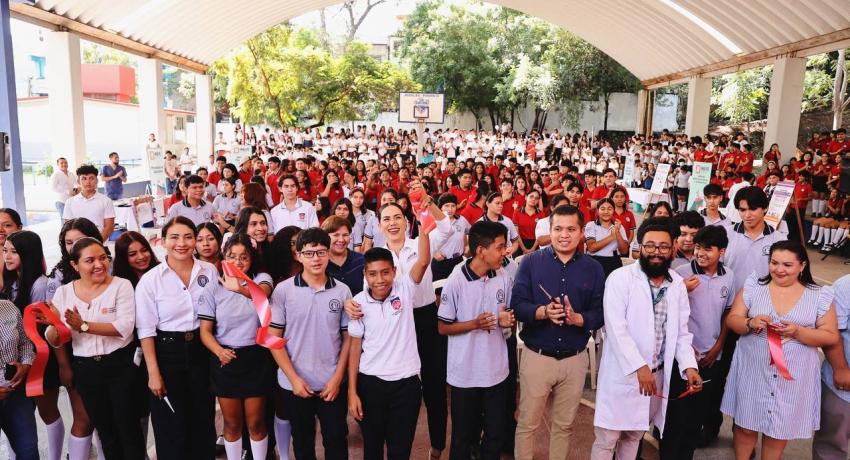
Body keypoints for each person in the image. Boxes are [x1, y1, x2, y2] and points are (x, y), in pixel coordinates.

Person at [591, 217, 702, 460]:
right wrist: (639, 366)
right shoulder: (620, 278)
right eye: (650, 246)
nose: (656, 252)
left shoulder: (677, 285)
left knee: (634, 436)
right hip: (623, 374)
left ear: (673, 249)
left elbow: (681, 333)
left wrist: (689, 367)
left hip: (656, 376)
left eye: (663, 247)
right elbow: (616, 329)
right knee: (607, 438)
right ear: (640, 247)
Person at [722, 240, 838, 460]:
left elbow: (830, 335)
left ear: (802, 266)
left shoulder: (819, 295)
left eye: (787, 265)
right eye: (774, 263)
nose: (779, 269)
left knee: (778, 430)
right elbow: (733, 319)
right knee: (745, 426)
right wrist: (750, 322)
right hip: (754, 370)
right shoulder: (754, 287)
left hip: (793, 376)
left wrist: (798, 332)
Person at [511, 205, 605, 459]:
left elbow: (600, 312)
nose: (564, 235)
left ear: (582, 232)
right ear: (549, 231)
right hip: (537, 356)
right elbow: (517, 305)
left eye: (571, 229)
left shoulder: (594, 268)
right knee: (527, 424)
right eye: (558, 229)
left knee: (564, 426)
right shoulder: (530, 262)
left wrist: (579, 319)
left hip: (575, 359)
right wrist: (543, 312)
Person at [46, 237, 146, 458]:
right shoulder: (64, 293)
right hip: (87, 369)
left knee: (129, 429)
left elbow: (125, 327)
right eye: (90, 260)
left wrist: (83, 325)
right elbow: (56, 337)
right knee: (105, 431)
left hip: (121, 365)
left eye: (103, 258)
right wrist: (52, 324)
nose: (99, 265)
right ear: (75, 265)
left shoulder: (121, 285)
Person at [135, 216, 218, 460]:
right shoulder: (150, 280)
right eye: (174, 237)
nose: (181, 243)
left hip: (202, 349)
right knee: (171, 426)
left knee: (203, 420)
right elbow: (146, 330)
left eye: (188, 237)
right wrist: (153, 373)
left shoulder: (209, 271)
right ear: (162, 242)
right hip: (167, 352)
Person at [269, 228, 351, 460]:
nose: (316, 258)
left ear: (329, 254)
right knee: (303, 444)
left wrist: (337, 378)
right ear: (298, 255)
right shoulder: (283, 291)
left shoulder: (342, 291)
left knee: (336, 441)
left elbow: (348, 339)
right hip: (295, 384)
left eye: (321, 252)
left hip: (331, 384)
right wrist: (294, 379)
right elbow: (274, 339)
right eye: (309, 253)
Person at [438, 220, 515, 459]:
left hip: (496, 370)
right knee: (463, 437)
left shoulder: (503, 276)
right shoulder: (456, 280)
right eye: (500, 247)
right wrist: (475, 324)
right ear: (481, 251)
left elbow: (506, 311)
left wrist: (507, 319)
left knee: (495, 434)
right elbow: (442, 327)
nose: (505, 252)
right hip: (466, 374)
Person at [346, 247, 425, 460]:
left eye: (385, 272)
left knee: (400, 451)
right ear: (365, 274)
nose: (380, 280)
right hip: (370, 384)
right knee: (372, 449)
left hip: (406, 385)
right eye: (372, 274)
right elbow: (355, 348)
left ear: (394, 271)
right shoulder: (358, 303)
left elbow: (424, 261)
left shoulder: (405, 289)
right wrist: (352, 392)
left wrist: (424, 229)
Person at [199, 233, 273, 460]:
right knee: (232, 423)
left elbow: (263, 296)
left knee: (256, 422)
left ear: (252, 259)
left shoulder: (261, 278)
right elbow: (205, 331)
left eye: (244, 257)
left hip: (255, 356)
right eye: (232, 256)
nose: (238, 262)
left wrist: (240, 288)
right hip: (226, 358)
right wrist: (219, 351)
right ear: (224, 257)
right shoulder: (213, 288)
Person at [663, 225, 735, 459]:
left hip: (711, 356)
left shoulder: (729, 275)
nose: (700, 253)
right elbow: (665, 310)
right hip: (683, 356)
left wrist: (718, 346)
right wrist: (681, 290)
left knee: (697, 415)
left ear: (722, 252)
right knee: (676, 416)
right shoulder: (680, 273)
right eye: (698, 248)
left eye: (707, 249)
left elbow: (727, 312)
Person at [812, 274, 850, 460]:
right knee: (832, 444)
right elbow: (831, 331)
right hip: (844, 386)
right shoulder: (845, 286)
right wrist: (840, 369)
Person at [0, 296, 36, 460]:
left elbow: (24, 342)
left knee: (29, 451)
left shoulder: (9, 307)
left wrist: (26, 364)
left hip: (15, 392)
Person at [63, 164, 115, 241]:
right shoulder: (70, 202)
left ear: (97, 181)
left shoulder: (106, 201)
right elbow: (68, 227)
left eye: (91, 178)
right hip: (78, 244)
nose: (88, 182)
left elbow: (109, 226)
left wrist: (97, 243)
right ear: (78, 181)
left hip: (100, 243)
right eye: (84, 178)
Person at [430, 193, 471, 281]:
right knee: (439, 288)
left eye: (453, 206)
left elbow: (471, 232)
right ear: (440, 207)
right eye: (447, 206)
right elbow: (424, 241)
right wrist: (434, 253)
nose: (450, 209)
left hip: (458, 262)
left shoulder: (461, 220)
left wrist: (468, 245)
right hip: (440, 264)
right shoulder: (434, 221)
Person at [584, 198, 628, 278]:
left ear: (614, 210)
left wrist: (617, 232)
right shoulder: (591, 225)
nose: (606, 212)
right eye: (602, 209)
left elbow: (624, 251)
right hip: (594, 261)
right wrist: (612, 236)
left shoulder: (619, 227)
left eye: (609, 209)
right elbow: (591, 248)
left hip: (614, 261)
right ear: (597, 210)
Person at [323, 216, 365, 296]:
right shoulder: (319, 263)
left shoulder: (361, 260)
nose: (341, 240)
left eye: (345, 235)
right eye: (336, 235)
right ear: (325, 237)